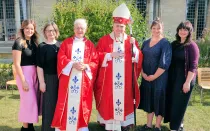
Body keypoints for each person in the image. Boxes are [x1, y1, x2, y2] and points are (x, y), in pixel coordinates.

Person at [94, 3, 143, 131]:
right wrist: (110, 55)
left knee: (125, 98)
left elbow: (138, 57)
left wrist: (135, 51)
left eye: (122, 27)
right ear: (113, 26)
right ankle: (109, 123)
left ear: (125, 27)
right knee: (109, 100)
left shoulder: (130, 41)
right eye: (117, 26)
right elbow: (97, 56)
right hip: (109, 81)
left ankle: (124, 124)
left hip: (125, 80)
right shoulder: (104, 40)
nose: (119, 29)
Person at [51, 18, 99, 131]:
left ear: (86, 29)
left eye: (82, 28)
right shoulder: (66, 43)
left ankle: (81, 126)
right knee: (65, 102)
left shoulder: (90, 45)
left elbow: (95, 62)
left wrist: (86, 66)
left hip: (83, 82)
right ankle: (63, 127)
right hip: (68, 81)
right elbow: (61, 58)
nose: (79, 30)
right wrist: (72, 64)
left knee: (82, 103)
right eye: (77, 27)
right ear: (74, 29)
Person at [164, 21, 200, 131]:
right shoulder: (174, 44)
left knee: (179, 104)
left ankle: (175, 128)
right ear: (178, 30)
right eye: (181, 29)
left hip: (185, 79)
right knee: (173, 102)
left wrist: (187, 82)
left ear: (189, 32)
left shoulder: (192, 46)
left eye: (185, 29)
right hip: (173, 78)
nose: (182, 31)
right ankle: (180, 124)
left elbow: (193, 66)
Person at [138, 18, 172, 131]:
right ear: (151, 29)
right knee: (149, 99)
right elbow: (140, 59)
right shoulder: (146, 42)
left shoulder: (165, 43)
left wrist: (154, 76)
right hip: (146, 77)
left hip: (159, 78)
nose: (156, 30)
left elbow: (164, 63)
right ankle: (148, 124)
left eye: (158, 28)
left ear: (162, 29)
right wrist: (142, 73)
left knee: (158, 100)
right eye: (154, 28)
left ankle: (157, 126)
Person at [12, 19, 39, 131]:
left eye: (31, 28)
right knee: (27, 102)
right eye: (27, 28)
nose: (29, 30)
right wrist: (23, 81)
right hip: (24, 75)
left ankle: (30, 126)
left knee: (32, 102)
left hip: (34, 75)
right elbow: (16, 64)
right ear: (23, 29)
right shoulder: (18, 42)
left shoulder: (34, 43)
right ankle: (25, 128)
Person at [36, 22, 60, 131]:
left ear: (56, 32)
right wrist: (42, 82)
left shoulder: (61, 45)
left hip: (61, 79)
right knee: (49, 106)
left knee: (59, 105)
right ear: (45, 32)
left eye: (53, 30)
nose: (51, 32)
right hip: (48, 79)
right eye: (48, 30)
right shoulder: (42, 46)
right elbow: (39, 66)